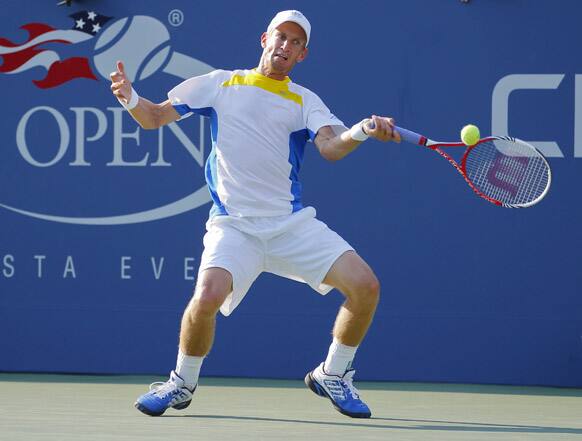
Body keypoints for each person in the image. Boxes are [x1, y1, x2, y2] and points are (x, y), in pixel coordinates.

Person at [110, 9, 400, 419]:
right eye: (281, 36)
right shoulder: (219, 83)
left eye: (296, 42)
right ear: (265, 38)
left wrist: (363, 130)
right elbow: (154, 117)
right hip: (235, 227)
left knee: (366, 287)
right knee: (207, 297)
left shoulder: (305, 101)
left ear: (303, 55)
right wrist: (129, 97)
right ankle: (181, 383)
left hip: (291, 226)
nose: (286, 46)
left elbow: (331, 147)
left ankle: (332, 374)